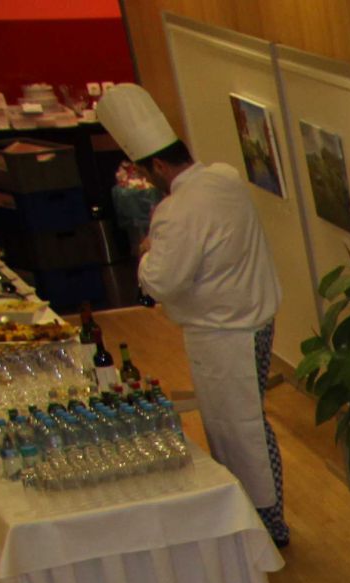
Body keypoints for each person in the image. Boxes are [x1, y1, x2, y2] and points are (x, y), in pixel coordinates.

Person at [94, 84, 290, 546]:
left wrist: (147, 251)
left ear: (159, 167)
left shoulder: (177, 210)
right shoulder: (224, 177)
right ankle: (261, 517)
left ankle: (264, 523)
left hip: (223, 333)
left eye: (147, 173)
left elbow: (163, 281)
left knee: (238, 430)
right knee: (247, 424)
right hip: (256, 321)